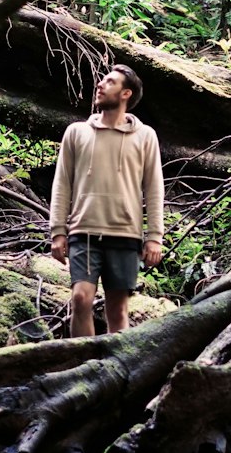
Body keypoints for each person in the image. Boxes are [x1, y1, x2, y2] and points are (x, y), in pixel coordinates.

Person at [49, 63, 164, 337]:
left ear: (126, 94)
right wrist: (57, 231)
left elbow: (154, 189)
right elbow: (62, 183)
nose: (100, 85)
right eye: (102, 80)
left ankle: (113, 371)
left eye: (109, 82)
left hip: (124, 234)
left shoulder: (145, 136)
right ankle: (84, 367)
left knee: (117, 310)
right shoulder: (76, 132)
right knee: (81, 299)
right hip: (84, 232)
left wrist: (154, 237)